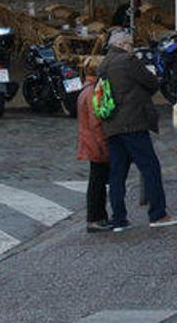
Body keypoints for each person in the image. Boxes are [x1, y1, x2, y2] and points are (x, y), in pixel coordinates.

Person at [97, 31, 177, 232]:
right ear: (123, 45)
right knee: (150, 167)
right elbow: (151, 83)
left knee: (118, 173)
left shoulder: (104, 63)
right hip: (133, 122)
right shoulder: (128, 60)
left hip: (112, 124)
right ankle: (158, 214)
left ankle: (118, 219)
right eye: (131, 44)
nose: (133, 47)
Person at [76, 57, 110, 233]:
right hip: (95, 143)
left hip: (90, 142)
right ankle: (95, 218)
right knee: (97, 182)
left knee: (97, 181)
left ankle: (98, 216)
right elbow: (96, 123)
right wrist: (104, 145)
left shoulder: (86, 90)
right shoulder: (93, 93)